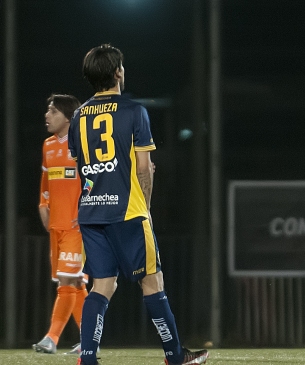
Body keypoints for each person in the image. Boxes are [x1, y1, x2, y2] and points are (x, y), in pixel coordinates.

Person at [67, 44, 208, 365]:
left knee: (102, 285)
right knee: (151, 280)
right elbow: (144, 168)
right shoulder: (133, 111)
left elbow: (83, 168)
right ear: (118, 73)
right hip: (128, 211)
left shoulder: (77, 117)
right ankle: (175, 356)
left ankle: (87, 359)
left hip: (91, 211)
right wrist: (145, 205)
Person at [33, 94, 88, 355]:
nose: (47, 115)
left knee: (67, 280)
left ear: (68, 117)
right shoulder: (48, 146)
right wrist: (43, 205)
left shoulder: (84, 145)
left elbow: (94, 180)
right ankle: (90, 339)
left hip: (78, 226)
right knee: (75, 283)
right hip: (56, 225)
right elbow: (46, 182)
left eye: (52, 111)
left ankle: (51, 339)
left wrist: (88, 207)